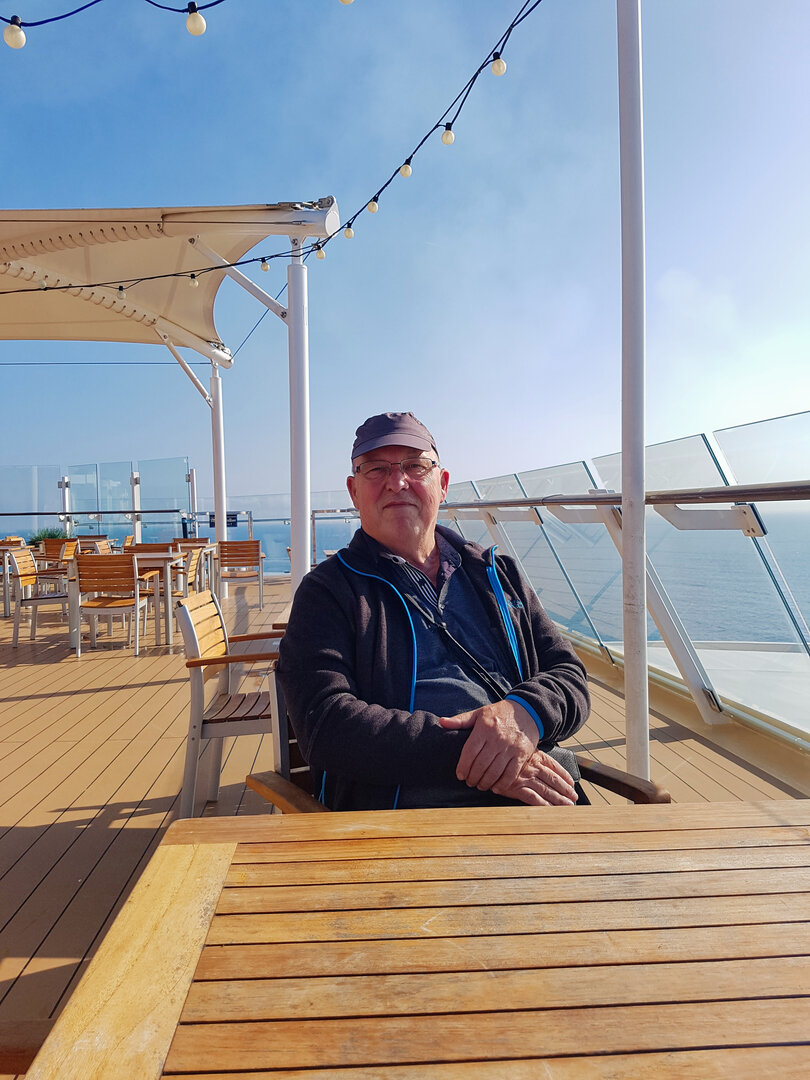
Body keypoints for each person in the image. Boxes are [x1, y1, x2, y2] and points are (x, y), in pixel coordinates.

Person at [277, 411, 591, 811]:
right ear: (354, 492)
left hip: (540, 805)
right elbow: (326, 723)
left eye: (415, 466)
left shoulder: (497, 575)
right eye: (376, 469)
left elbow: (568, 673)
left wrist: (524, 713)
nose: (397, 482)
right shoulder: (328, 592)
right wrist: (488, 752)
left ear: (441, 484)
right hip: (402, 819)